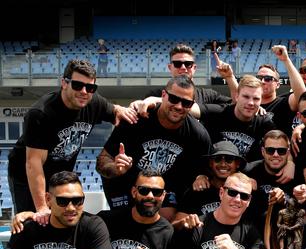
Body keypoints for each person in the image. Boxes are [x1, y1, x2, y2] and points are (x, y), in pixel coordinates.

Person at [7, 59, 136, 219]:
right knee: (35, 220)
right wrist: (41, 207)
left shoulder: (93, 102)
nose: (84, 91)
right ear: (64, 83)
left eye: (90, 87)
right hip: (28, 176)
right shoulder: (41, 114)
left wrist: (124, 110)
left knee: (64, 219)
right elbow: (34, 163)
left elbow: (115, 110)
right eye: (77, 85)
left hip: (61, 173)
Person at [96, 75, 212, 220]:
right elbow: (101, 161)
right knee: (128, 222)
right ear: (163, 95)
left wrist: (201, 176)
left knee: (166, 218)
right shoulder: (136, 120)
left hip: (160, 189)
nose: (178, 106)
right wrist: (115, 168)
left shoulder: (198, 135)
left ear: (192, 104)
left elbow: (206, 170)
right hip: (124, 186)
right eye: (174, 99)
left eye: (186, 103)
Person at [130, 44, 236, 118]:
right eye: (177, 64)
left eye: (188, 64)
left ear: (194, 68)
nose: (183, 67)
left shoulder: (209, 95)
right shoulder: (154, 94)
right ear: (170, 67)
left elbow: (238, 105)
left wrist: (230, 77)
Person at [198, 75, 276, 163]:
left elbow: (281, 145)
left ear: (261, 101)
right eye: (246, 97)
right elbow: (188, 110)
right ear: (236, 97)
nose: (251, 103)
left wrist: (289, 163)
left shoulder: (264, 123)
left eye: (256, 99)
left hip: (246, 175)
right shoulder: (219, 112)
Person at [173, 141, 247, 229]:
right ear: (210, 163)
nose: (223, 164)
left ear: (237, 164)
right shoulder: (198, 190)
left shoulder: (244, 194)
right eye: (218, 159)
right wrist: (185, 222)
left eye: (229, 159)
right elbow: (174, 225)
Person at [257, 45, 306, 137]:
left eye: (268, 78)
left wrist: (286, 60)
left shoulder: (283, 103)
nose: (262, 81)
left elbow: (302, 96)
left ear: (278, 84)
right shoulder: (249, 105)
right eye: (259, 78)